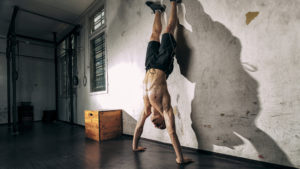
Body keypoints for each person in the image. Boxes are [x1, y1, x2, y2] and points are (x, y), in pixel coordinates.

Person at [132, 0, 193, 164]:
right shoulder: (166, 108)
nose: (156, 126)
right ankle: (174, 3)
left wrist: (135, 147)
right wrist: (180, 158)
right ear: (162, 120)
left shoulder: (146, 109)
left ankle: (158, 11)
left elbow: (138, 128)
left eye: (157, 127)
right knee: (168, 31)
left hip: (149, 66)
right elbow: (172, 132)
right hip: (163, 65)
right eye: (160, 126)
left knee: (153, 36)